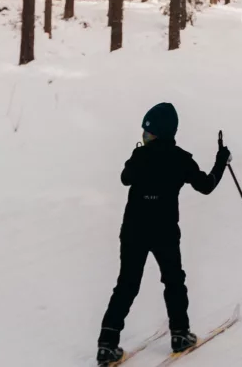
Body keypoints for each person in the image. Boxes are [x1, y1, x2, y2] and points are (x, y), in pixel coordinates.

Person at [96, 102, 231, 366]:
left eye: (148, 134)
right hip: (164, 229)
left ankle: (106, 344)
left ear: (158, 133)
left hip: (134, 228)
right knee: (173, 280)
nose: (145, 138)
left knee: (127, 284)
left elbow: (125, 178)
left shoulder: (139, 157)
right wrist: (221, 161)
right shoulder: (181, 158)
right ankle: (180, 334)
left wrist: (138, 156)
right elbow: (206, 186)